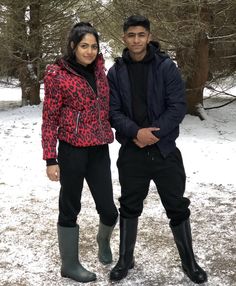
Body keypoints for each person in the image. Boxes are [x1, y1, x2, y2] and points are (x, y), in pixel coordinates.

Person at [107, 15, 207, 284]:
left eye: (141, 35)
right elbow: (113, 112)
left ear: (149, 37)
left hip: (164, 151)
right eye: (131, 35)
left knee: (176, 205)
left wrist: (151, 135)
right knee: (129, 206)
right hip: (131, 152)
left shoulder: (166, 67)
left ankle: (189, 262)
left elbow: (177, 107)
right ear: (124, 38)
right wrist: (135, 133)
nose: (136, 40)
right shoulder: (115, 72)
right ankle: (125, 260)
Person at [41, 22, 118, 283]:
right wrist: (51, 158)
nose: (89, 51)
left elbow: (107, 107)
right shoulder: (57, 74)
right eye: (84, 45)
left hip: (99, 149)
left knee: (109, 210)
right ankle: (70, 265)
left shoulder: (99, 72)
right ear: (73, 46)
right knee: (69, 207)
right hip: (72, 150)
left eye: (94, 46)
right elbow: (50, 118)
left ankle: (102, 240)